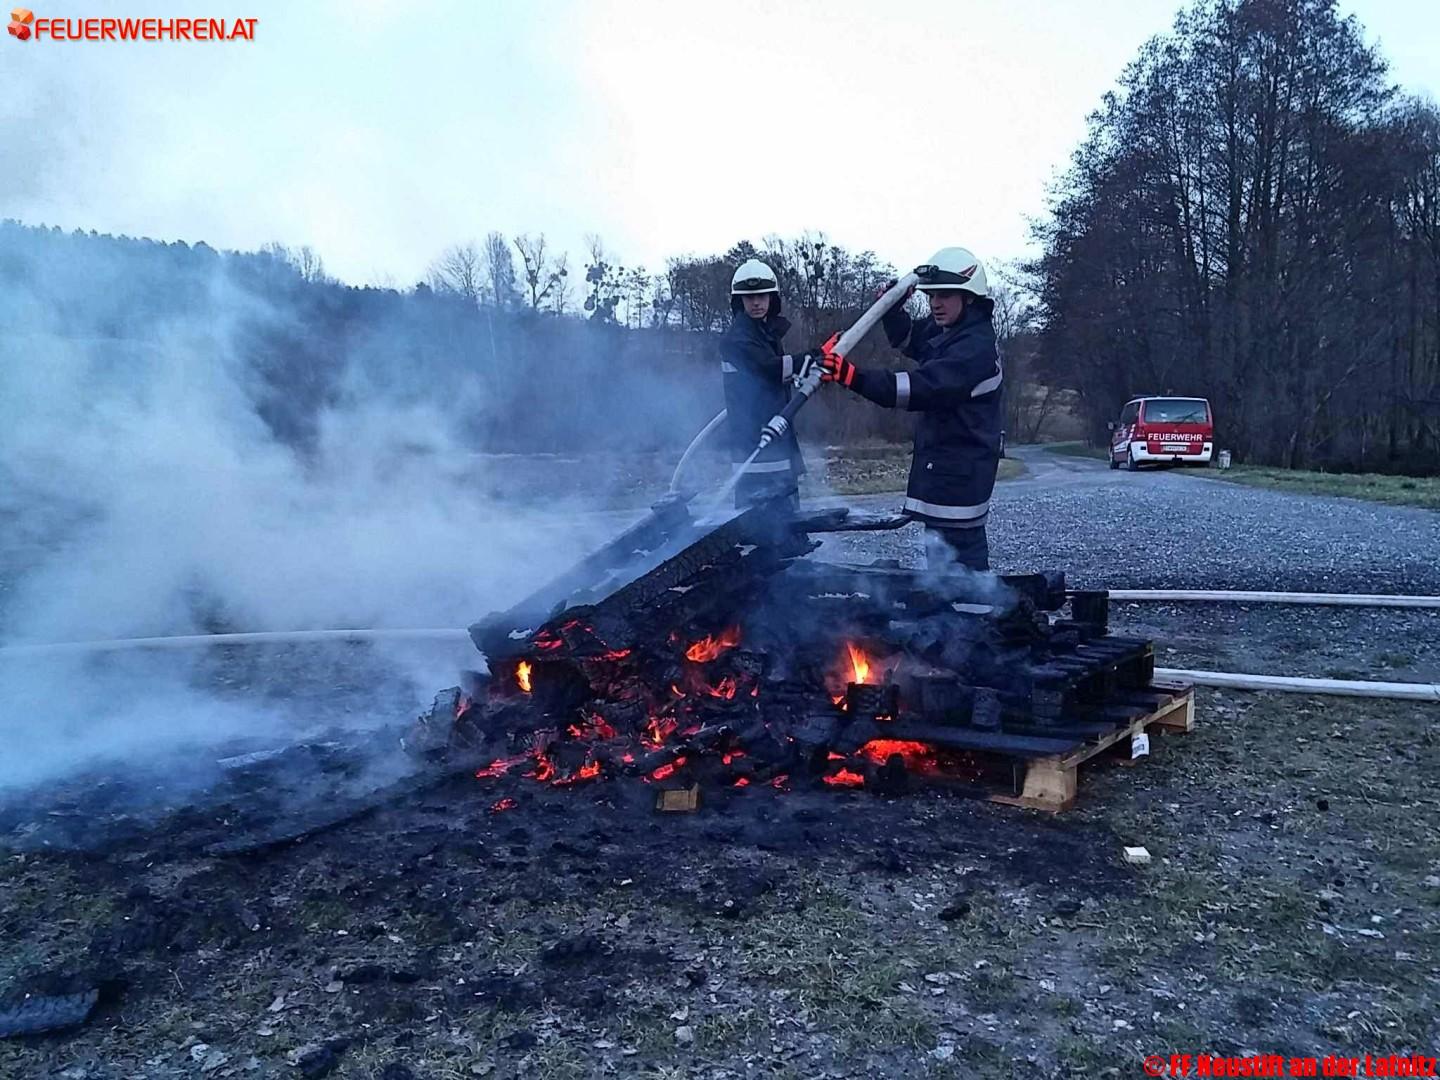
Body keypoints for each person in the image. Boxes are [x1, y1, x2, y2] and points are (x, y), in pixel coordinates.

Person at [822, 246, 1002, 570]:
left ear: (970, 298)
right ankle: (959, 618)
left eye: (945, 295)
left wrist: (851, 376)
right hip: (949, 478)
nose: (935, 303)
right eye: (931, 295)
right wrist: (892, 311)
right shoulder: (951, 332)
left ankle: (975, 619)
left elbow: (919, 388)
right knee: (946, 575)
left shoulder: (974, 350)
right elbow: (913, 339)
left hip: (959, 483)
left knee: (964, 578)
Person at [718, 258, 823, 509]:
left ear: (771, 299)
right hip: (754, 450)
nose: (756, 302)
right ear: (739, 301)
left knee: (785, 527)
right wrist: (812, 358)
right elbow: (770, 369)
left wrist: (810, 363)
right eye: (750, 297)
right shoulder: (737, 339)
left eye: (762, 296)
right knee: (762, 528)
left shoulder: (765, 334)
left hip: (776, 442)